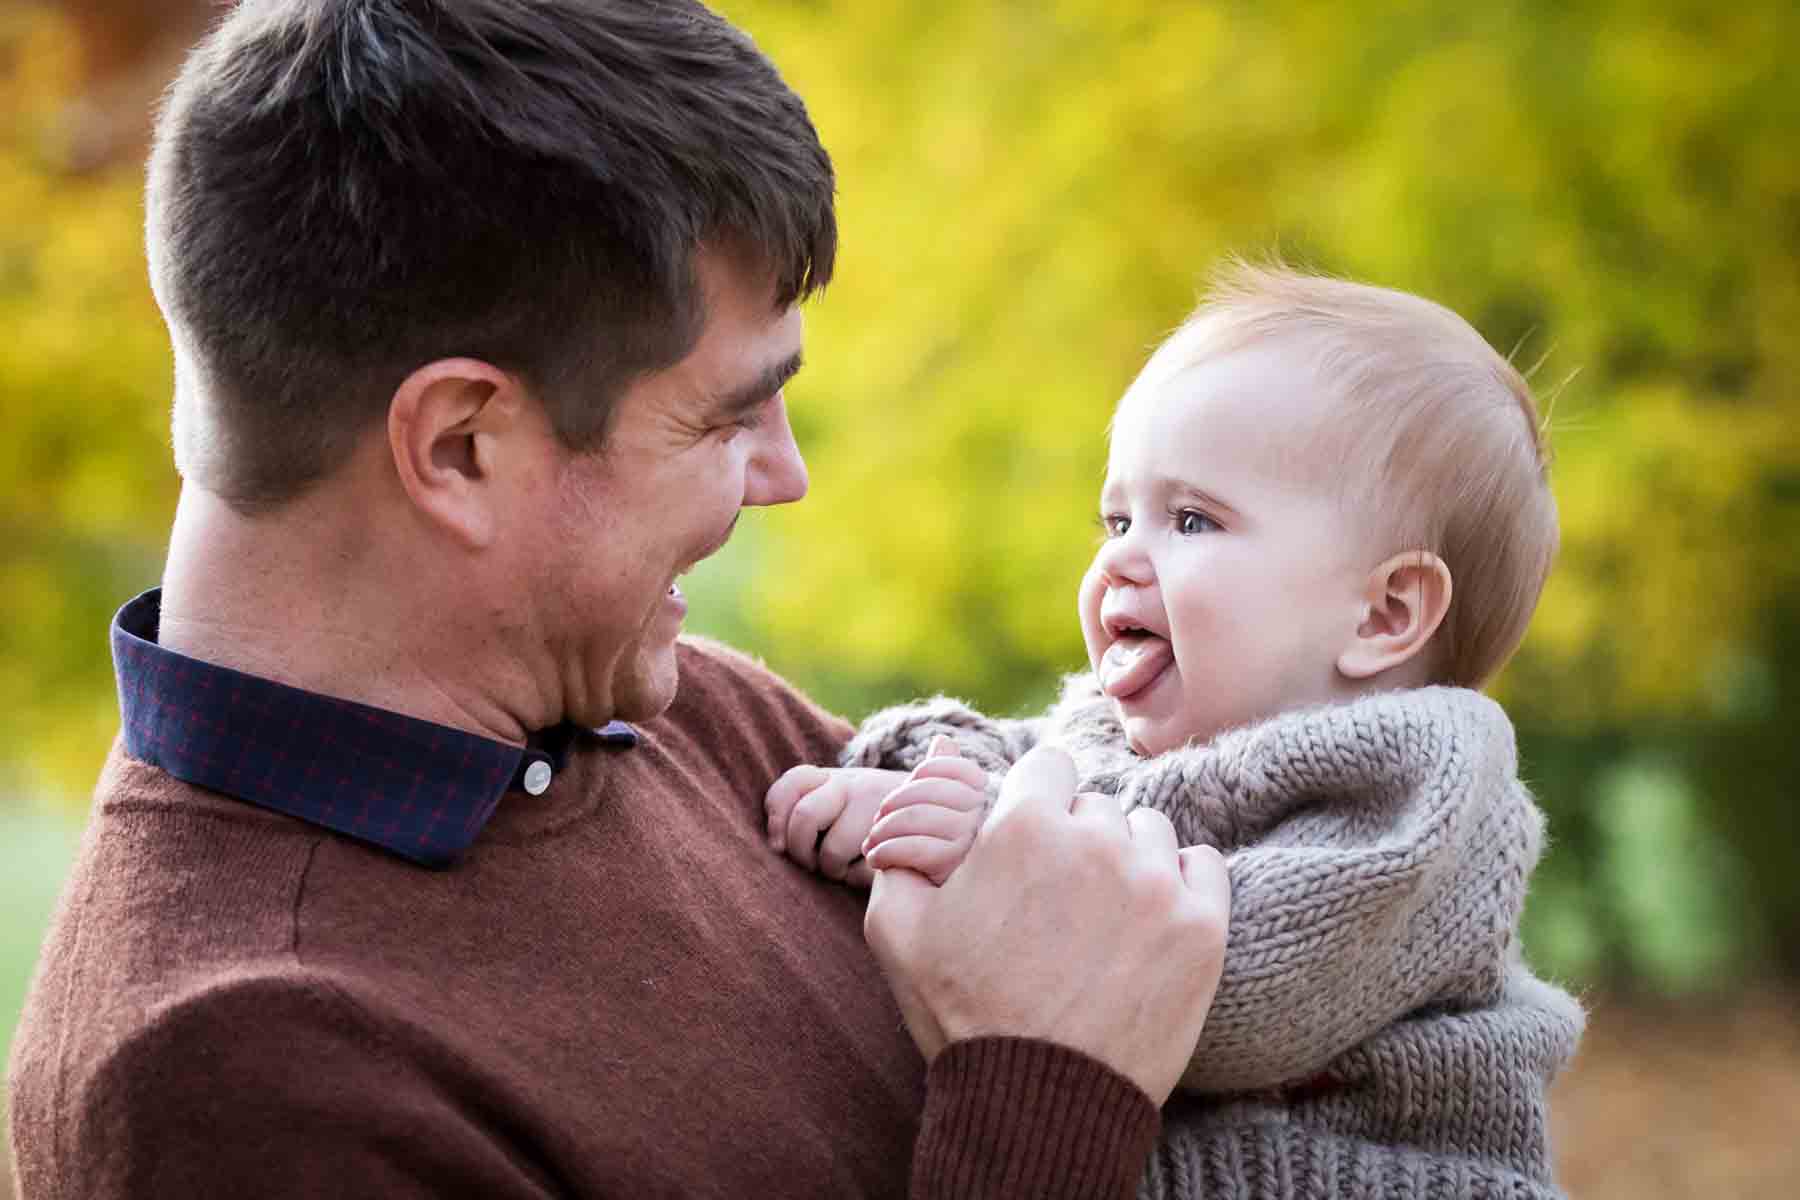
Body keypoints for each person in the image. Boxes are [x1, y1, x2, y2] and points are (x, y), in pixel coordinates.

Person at [5, 2, 1231, 1197]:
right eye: (725, 415)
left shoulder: (680, 713)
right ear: (460, 446)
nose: (785, 476)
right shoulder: (236, 1094)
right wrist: (1050, 1097)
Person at [766, 263, 1586, 1197]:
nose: (1119, 556)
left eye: (1192, 520)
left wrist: (979, 849)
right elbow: (1034, 762)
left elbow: (1218, 984)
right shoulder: (1128, 732)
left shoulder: (1426, 791)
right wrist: (919, 779)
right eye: (1116, 516)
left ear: (1384, 614)